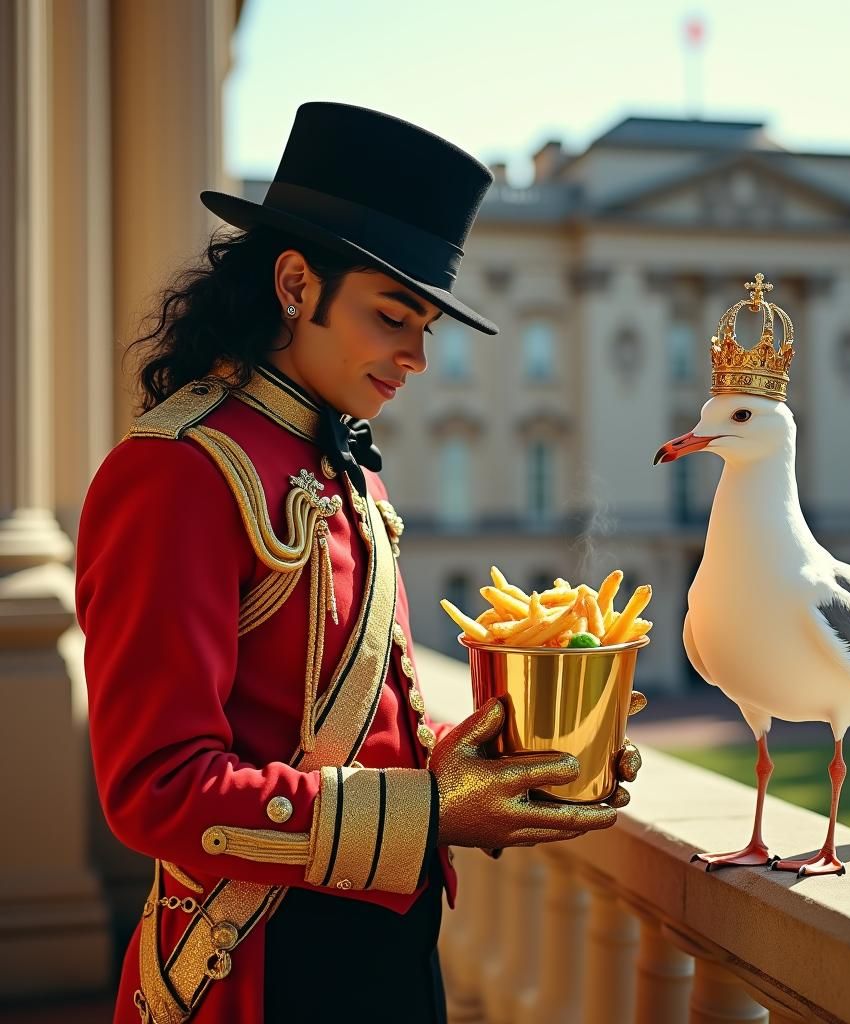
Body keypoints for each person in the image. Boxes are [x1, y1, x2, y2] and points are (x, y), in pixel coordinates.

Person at [75, 102, 643, 1023]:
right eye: (392, 317)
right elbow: (156, 789)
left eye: (427, 328)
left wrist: (502, 762)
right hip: (264, 962)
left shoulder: (343, 463)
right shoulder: (176, 472)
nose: (416, 357)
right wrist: (431, 813)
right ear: (296, 284)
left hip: (389, 949)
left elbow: (363, 726)